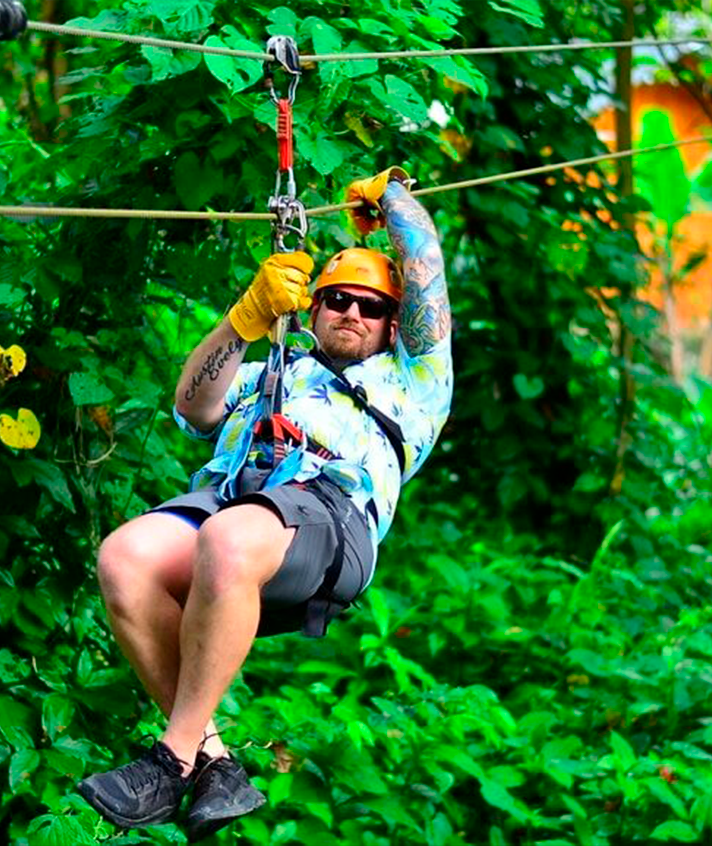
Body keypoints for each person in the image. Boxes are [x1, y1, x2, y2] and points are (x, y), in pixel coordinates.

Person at [77, 167, 452, 840]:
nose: (351, 312)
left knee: (227, 537)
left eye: (371, 307)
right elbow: (192, 405)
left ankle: (169, 762)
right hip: (232, 498)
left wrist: (392, 197)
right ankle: (214, 763)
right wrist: (244, 318)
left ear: (393, 323)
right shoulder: (274, 371)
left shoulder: (414, 377)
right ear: (312, 310)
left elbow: (423, 263)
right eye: (336, 298)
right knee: (124, 558)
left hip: (328, 513)